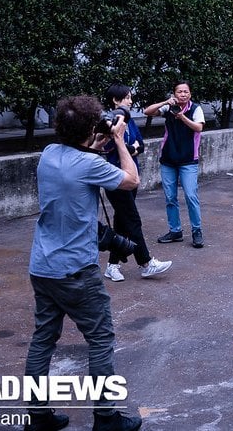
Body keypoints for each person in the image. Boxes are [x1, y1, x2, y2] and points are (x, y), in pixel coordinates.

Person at [23, 95, 142, 431]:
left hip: (42, 266)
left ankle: (38, 416)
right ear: (90, 128)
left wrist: (96, 140)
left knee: (43, 339)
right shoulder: (90, 165)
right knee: (101, 339)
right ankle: (106, 418)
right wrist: (118, 139)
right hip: (76, 270)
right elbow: (131, 180)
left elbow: (77, 160)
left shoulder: (48, 155)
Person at [101, 85, 172, 281]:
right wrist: (126, 147)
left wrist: (127, 147)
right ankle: (146, 263)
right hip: (116, 178)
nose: (131, 102)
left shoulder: (128, 121)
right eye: (127, 98)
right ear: (115, 101)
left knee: (122, 222)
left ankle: (112, 266)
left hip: (132, 177)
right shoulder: (110, 122)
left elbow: (140, 146)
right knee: (132, 220)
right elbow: (110, 147)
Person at [145, 82, 206, 248]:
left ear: (190, 94)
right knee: (170, 197)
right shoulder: (168, 108)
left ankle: (196, 231)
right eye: (180, 92)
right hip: (168, 160)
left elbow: (198, 128)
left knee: (191, 196)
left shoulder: (196, 109)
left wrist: (182, 117)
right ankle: (175, 231)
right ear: (174, 94)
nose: (183, 94)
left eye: (186, 91)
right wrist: (166, 102)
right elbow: (147, 111)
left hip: (188, 160)